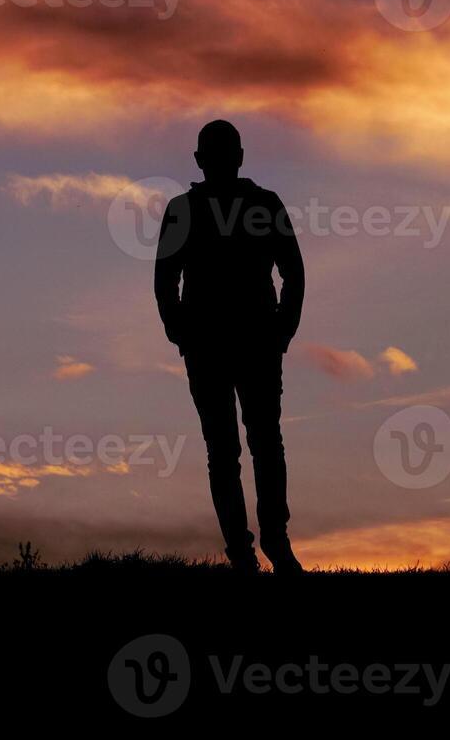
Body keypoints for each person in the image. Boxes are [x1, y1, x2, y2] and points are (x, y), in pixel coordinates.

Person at [155, 120, 305, 574]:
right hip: (215, 343)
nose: (218, 163)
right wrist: (179, 330)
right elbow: (165, 279)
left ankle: (270, 545)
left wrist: (282, 329)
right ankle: (245, 551)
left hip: (253, 341)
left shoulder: (261, 204)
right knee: (232, 447)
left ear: (235, 158)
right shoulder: (188, 210)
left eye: (223, 155)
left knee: (254, 444)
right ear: (203, 161)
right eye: (213, 156)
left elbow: (293, 272)